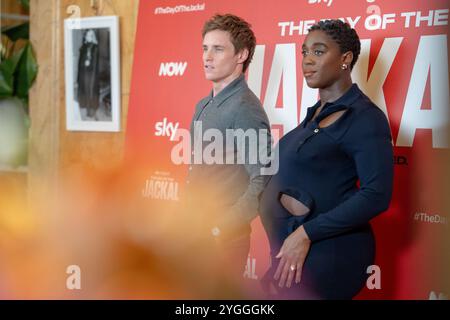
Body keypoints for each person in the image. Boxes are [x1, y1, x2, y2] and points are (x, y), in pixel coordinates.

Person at [259, 19, 394, 299]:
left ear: (345, 58)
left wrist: (306, 233)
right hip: (291, 252)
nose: (307, 60)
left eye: (319, 52)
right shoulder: (314, 116)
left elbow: (377, 195)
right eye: (304, 52)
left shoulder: (365, 117)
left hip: (326, 254)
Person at [185, 14, 271, 279]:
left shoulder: (245, 107)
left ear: (241, 55)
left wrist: (219, 228)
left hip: (221, 243)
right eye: (205, 48)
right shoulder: (204, 104)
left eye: (218, 49)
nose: (207, 57)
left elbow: (263, 178)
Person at [77, 29, 100, 119]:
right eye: (87, 35)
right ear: (85, 36)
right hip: (83, 72)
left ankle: (91, 110)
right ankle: (84, 106)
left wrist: (89, 65)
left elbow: (95, 63)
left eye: (91, 35)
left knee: (90, 90)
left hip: (92, 74)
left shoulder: (95, 47)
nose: (88, 37)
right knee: (84, 89)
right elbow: (81, 61)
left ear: (93, 37)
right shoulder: (84, 46)